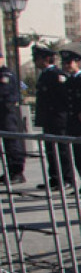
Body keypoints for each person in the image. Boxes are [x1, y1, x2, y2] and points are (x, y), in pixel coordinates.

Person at [34, 45, 72, 190]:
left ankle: (66, 178)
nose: (35, 62)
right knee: (50, 150)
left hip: (58, 118)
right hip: (48, 119)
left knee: (62, 150)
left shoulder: (57, 75)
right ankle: (55, 178)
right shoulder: (44, 74)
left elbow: (64, 98)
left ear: (46, 59)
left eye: (37, 59)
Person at [61, 47, 81, 197]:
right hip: (72, 122)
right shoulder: (69, 80)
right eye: (65, 63)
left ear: (77, 63)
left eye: (69, 63)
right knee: (77, 156)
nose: (67, 66)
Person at [0, 49, 27, 186]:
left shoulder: (5, 74)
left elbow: (3, 93)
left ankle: (17, 172)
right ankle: (9, 171)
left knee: (12, 143)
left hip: (6, 113)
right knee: (5, 145)